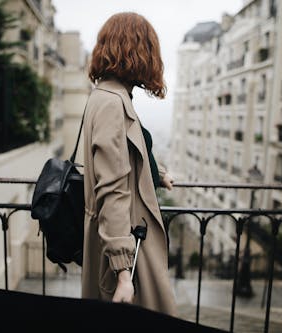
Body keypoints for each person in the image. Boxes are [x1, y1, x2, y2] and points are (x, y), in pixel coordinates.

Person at [81, 11, 177, 317]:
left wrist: (155, 173)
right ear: (137, 51)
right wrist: (123, 272)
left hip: (126, 239)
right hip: (129, 245)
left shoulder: (109, 94)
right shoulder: (112, 102)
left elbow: (125, 152)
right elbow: (112, 187)